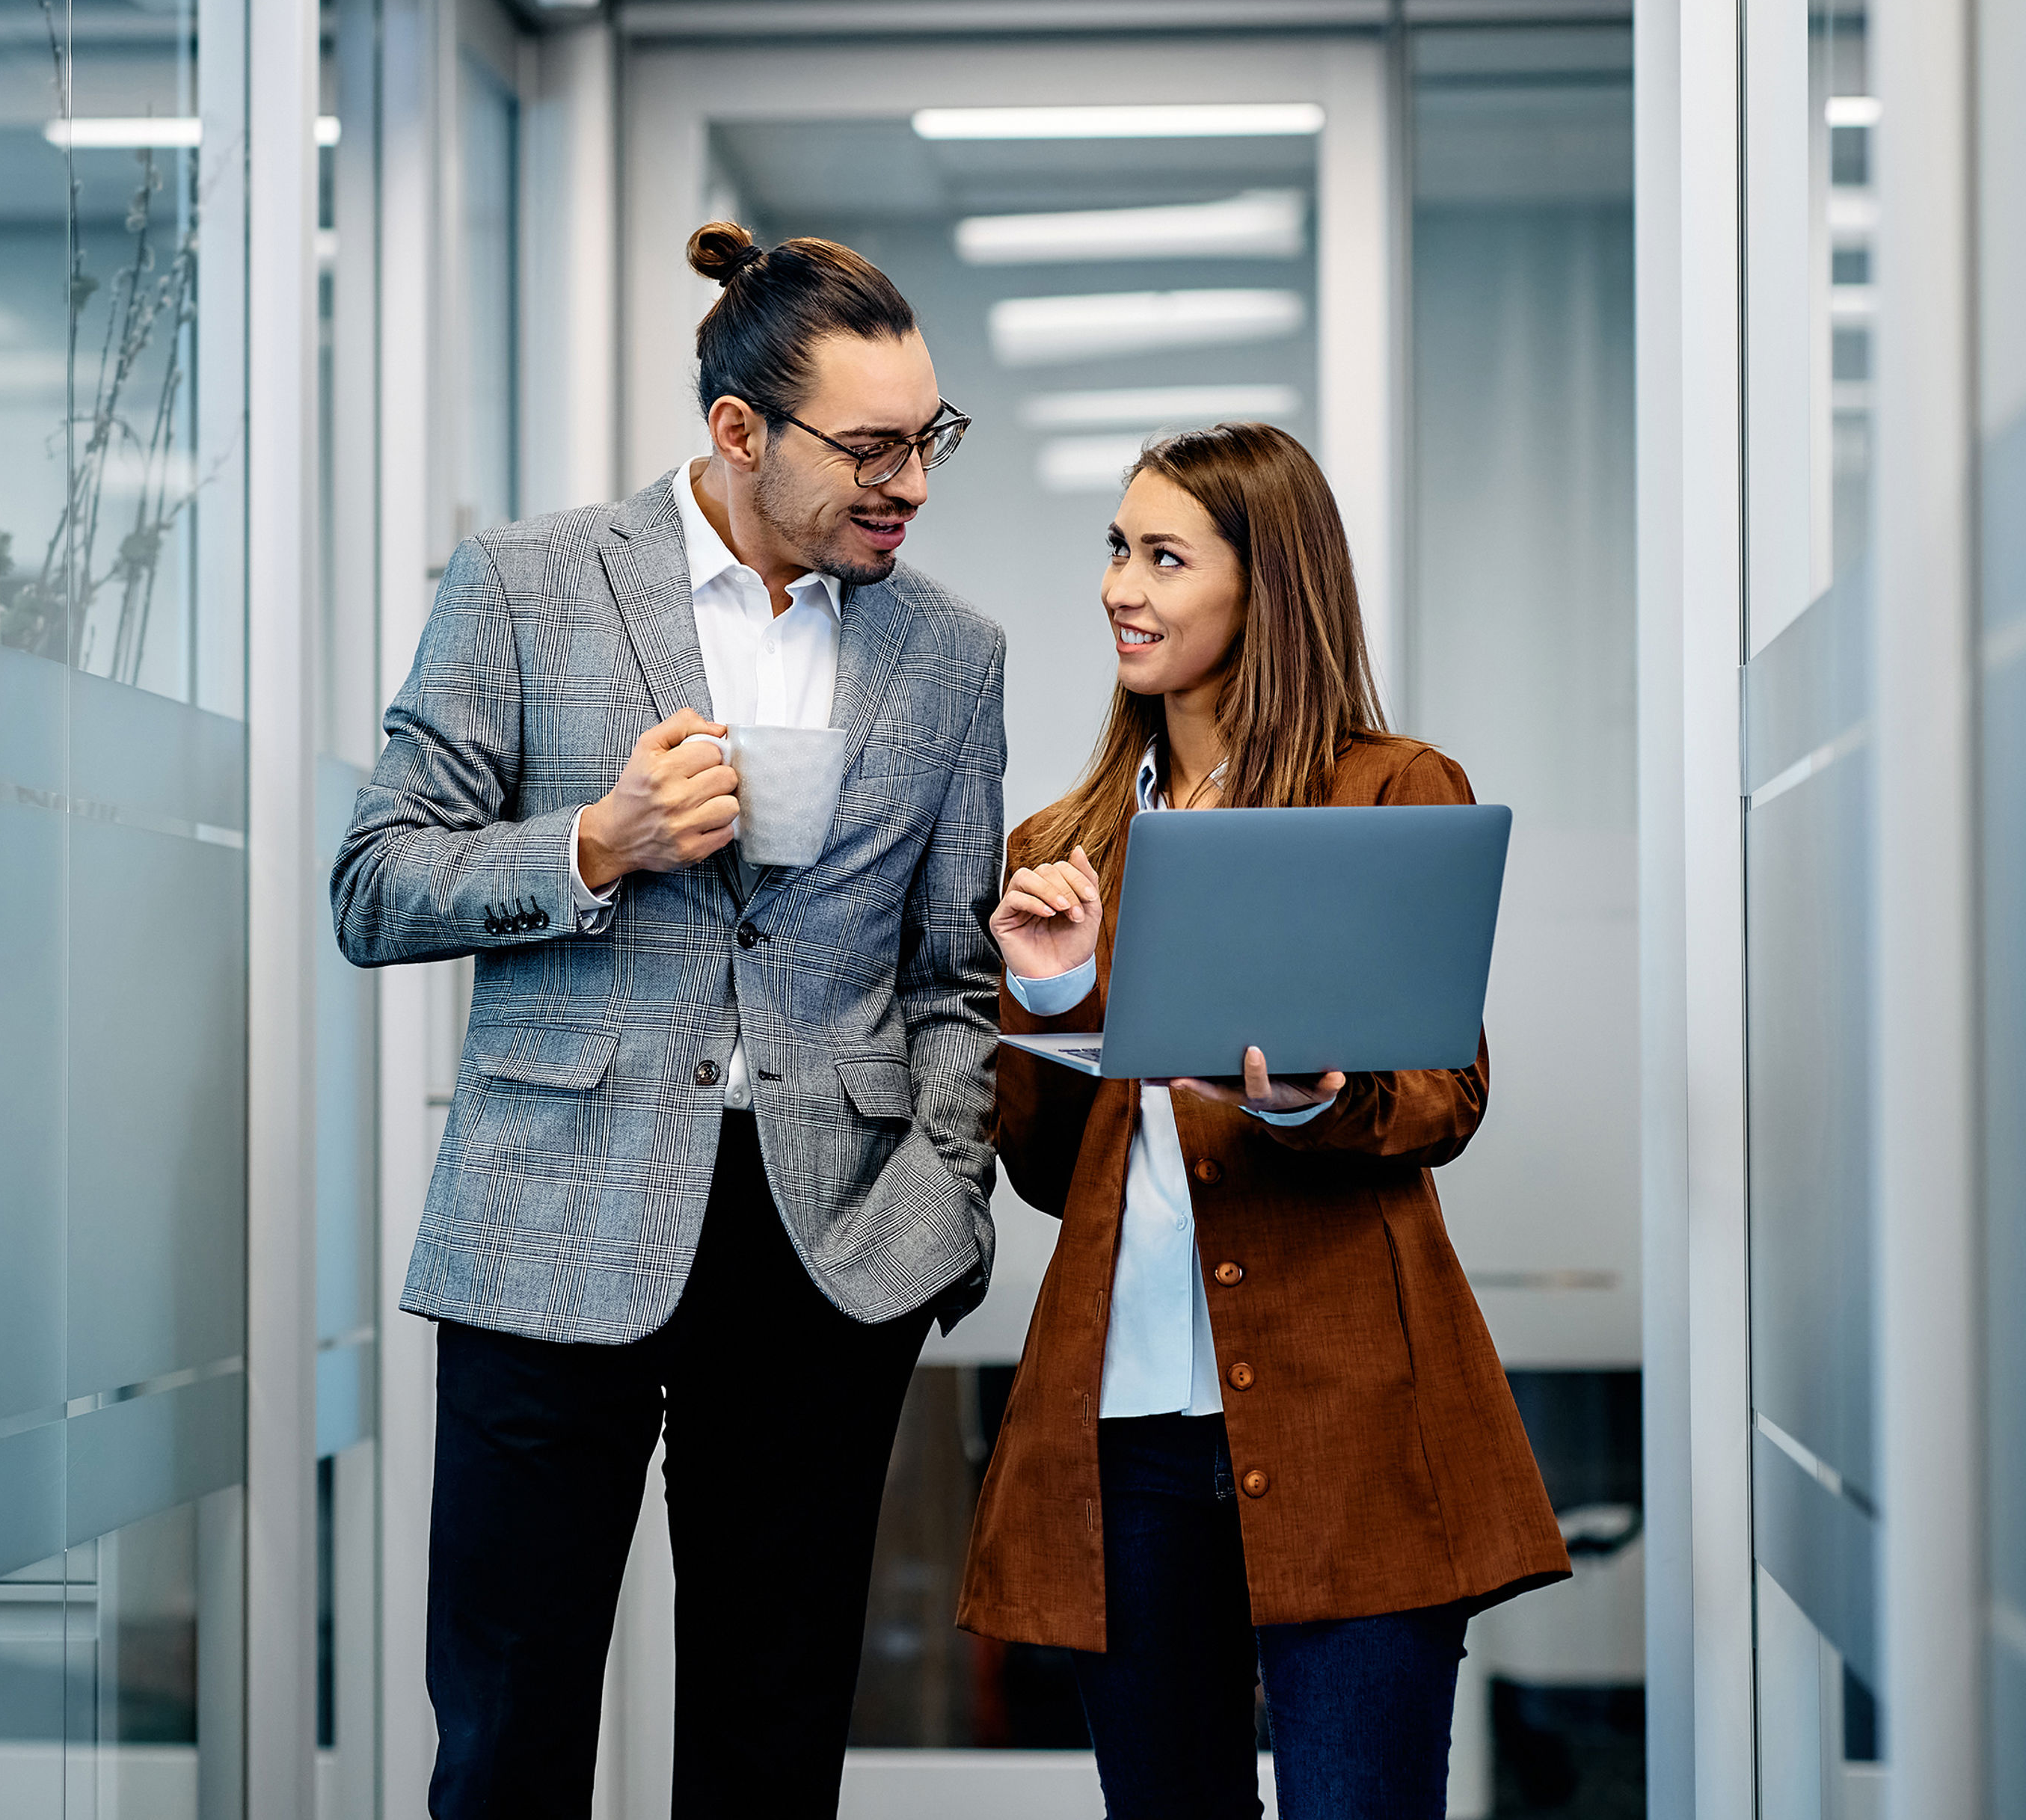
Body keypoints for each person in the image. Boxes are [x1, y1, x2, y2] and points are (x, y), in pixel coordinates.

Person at [332, 221, 1007, 1816]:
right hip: (548, 1229)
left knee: (772, 1758)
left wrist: (940, 1216)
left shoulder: (953, 655)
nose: (912, 480)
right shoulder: (526, 582)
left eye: (931, 440)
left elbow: (955, 982)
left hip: (826, 1249)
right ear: (737, 433)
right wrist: (596, 841)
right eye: (871, 448)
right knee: (506, 1741)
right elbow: (375, 883)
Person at [955, 422, 1569, 1820]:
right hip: (1127, 1434)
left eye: (1166, 557)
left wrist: (1314, 1099)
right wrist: (1045, 1005)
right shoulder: (1063, 839)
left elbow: (1446, 1092)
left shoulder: (1390, 788)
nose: (1125, 585)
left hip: (1352, 1416)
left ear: (1268, 586)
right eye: (1118, 548)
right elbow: (1057, 1175)